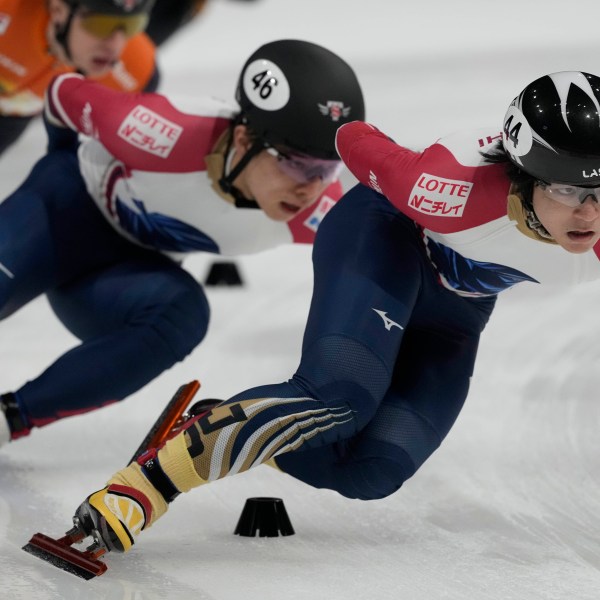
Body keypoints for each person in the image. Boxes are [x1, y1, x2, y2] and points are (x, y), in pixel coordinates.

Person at [66, 70, 600, 555]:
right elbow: (353, 138)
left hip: (459, 304)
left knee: (374, 470)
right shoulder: (444, 189)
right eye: (570, 190)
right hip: (386, 236)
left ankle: (219, 422)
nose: (589, 213)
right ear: (525, 177)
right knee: (340, 397)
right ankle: (146, 485)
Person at [0, 39, 365, 445]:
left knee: (182, 315)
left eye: (328, 169)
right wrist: (57, 162)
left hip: (115, 280)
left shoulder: (320, 212)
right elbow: (60, 95)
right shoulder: (159, 128)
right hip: (59, 213)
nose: (311, 188)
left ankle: (9, 418)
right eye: (298, 164)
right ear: (244, 141)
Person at [0, 0, 158, 157]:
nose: (115, 46)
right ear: (58, 10)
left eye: (133, 26)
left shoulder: (136, 70)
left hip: (15, 113)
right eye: (100, 25)